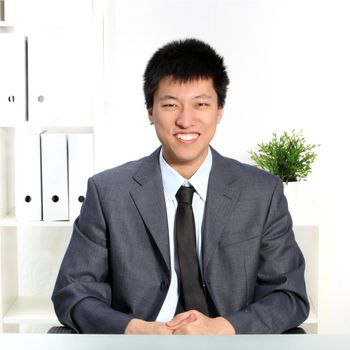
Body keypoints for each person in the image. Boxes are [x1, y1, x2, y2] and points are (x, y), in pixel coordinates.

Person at [52, 38, 309, 334]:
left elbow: (289, 296)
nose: (186, 120)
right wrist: (136, 329)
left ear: (219, 110)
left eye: (201, 104)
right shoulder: (108, 192)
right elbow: (73, 293)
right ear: (150, 111)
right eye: (171, 105)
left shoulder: (262, 193)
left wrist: (224, 328)